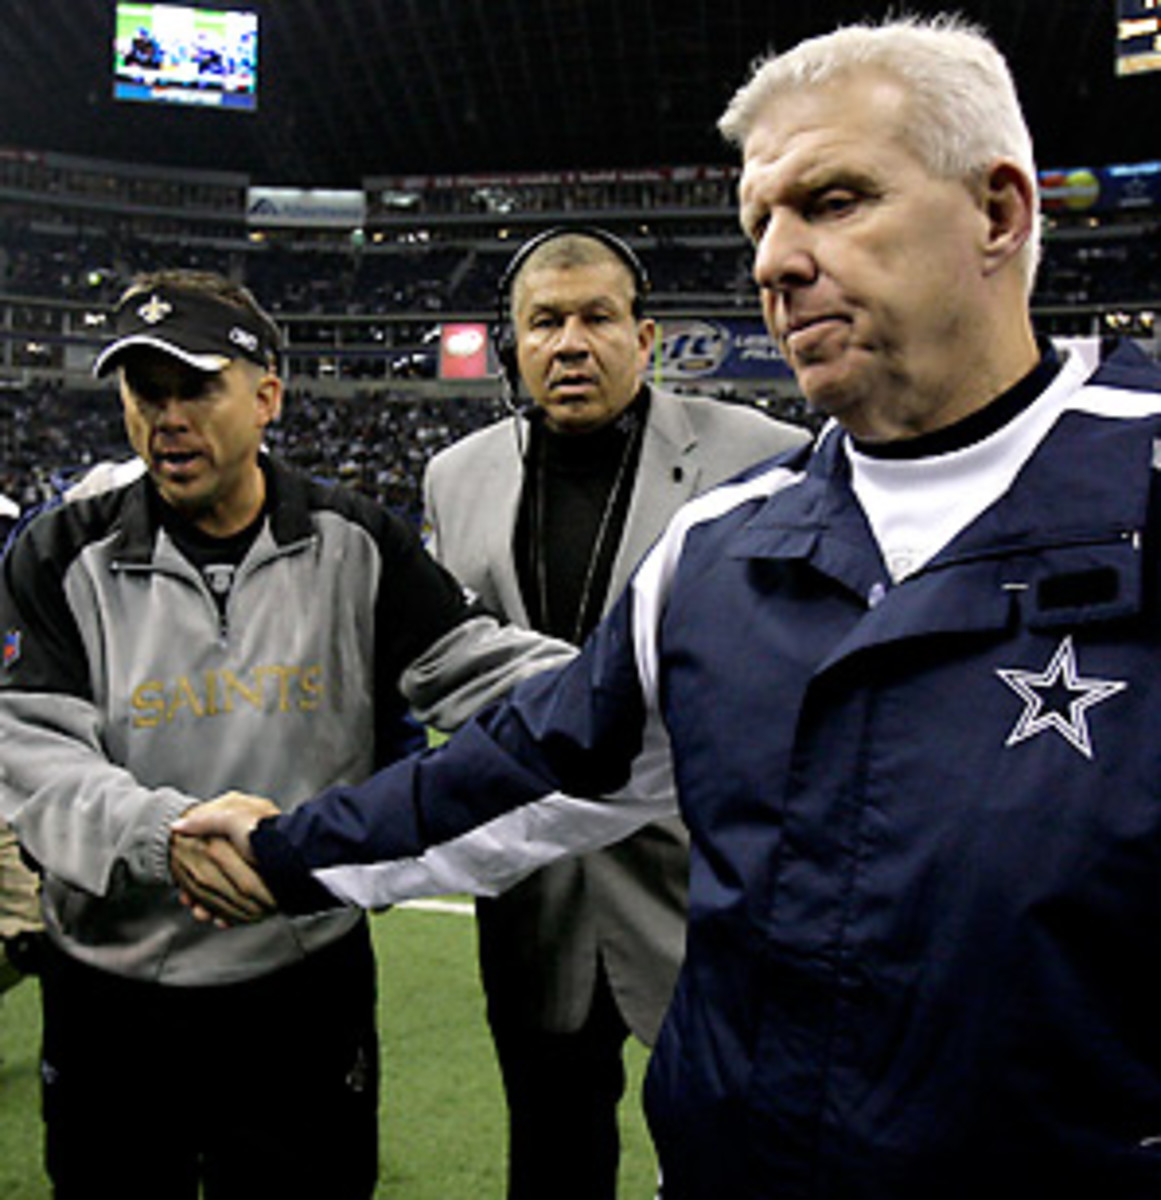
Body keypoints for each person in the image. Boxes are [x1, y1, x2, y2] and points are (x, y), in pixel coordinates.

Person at [177, 15, 1161, 1198]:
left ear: (999, 214)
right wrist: (285, 851)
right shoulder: (722, 546)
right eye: (761, 223)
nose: (775, 261)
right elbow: (521, 772)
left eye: (835, 201)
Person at [0, 268, 571, 1199]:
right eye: (146, 391)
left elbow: (484, 669)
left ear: (267, 394)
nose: (166, 417)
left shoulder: (357, 541)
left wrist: (631, 682)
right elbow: (29, 750)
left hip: (299, 990)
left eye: (196, 387)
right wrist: (164, 839)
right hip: (109, 996)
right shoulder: (58, 551)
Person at [423, 226, 807, 1199]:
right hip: (534, 894)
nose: (570, 343)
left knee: (734, 1159)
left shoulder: (766, 457)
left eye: (597, 318)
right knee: (552, 1160)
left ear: (647, 337)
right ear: (512, 345)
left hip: (703, 890)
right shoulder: (456, 476)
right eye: (544, 323)